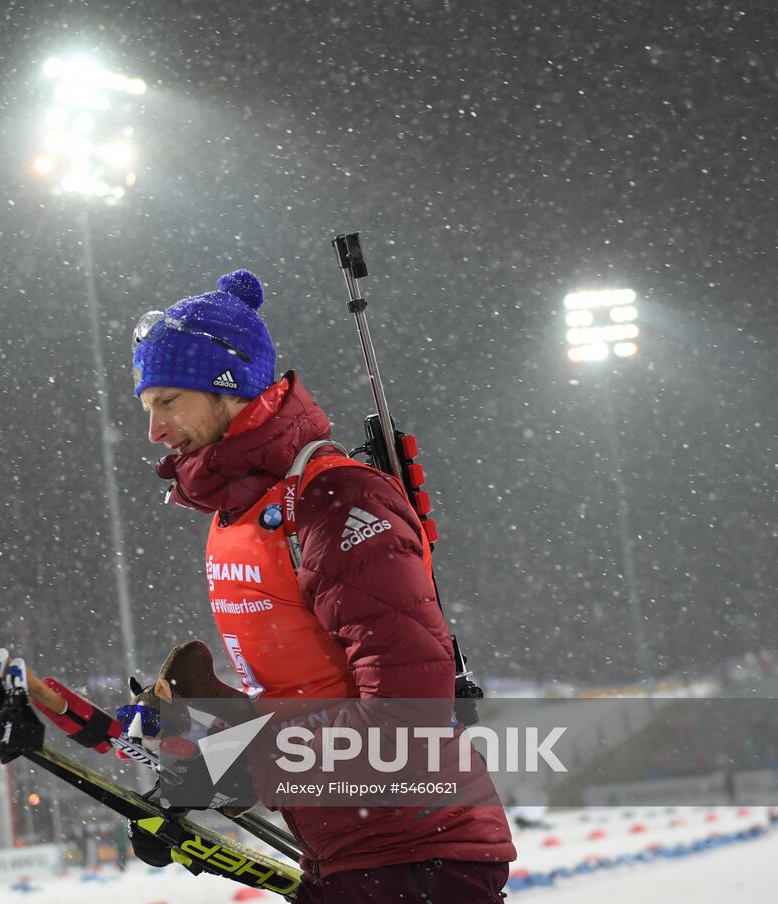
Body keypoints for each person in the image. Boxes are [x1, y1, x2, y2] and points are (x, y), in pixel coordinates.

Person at [127, 269, 516, 902]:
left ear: (226, 386)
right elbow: (309, 695)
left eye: (168, 400)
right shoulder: (241, 518)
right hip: (355, 857)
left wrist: (228, 762)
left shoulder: (332, 500)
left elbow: (403, 719)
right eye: (148, 408)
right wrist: (206, 722)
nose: (155, 431)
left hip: (415, 860)